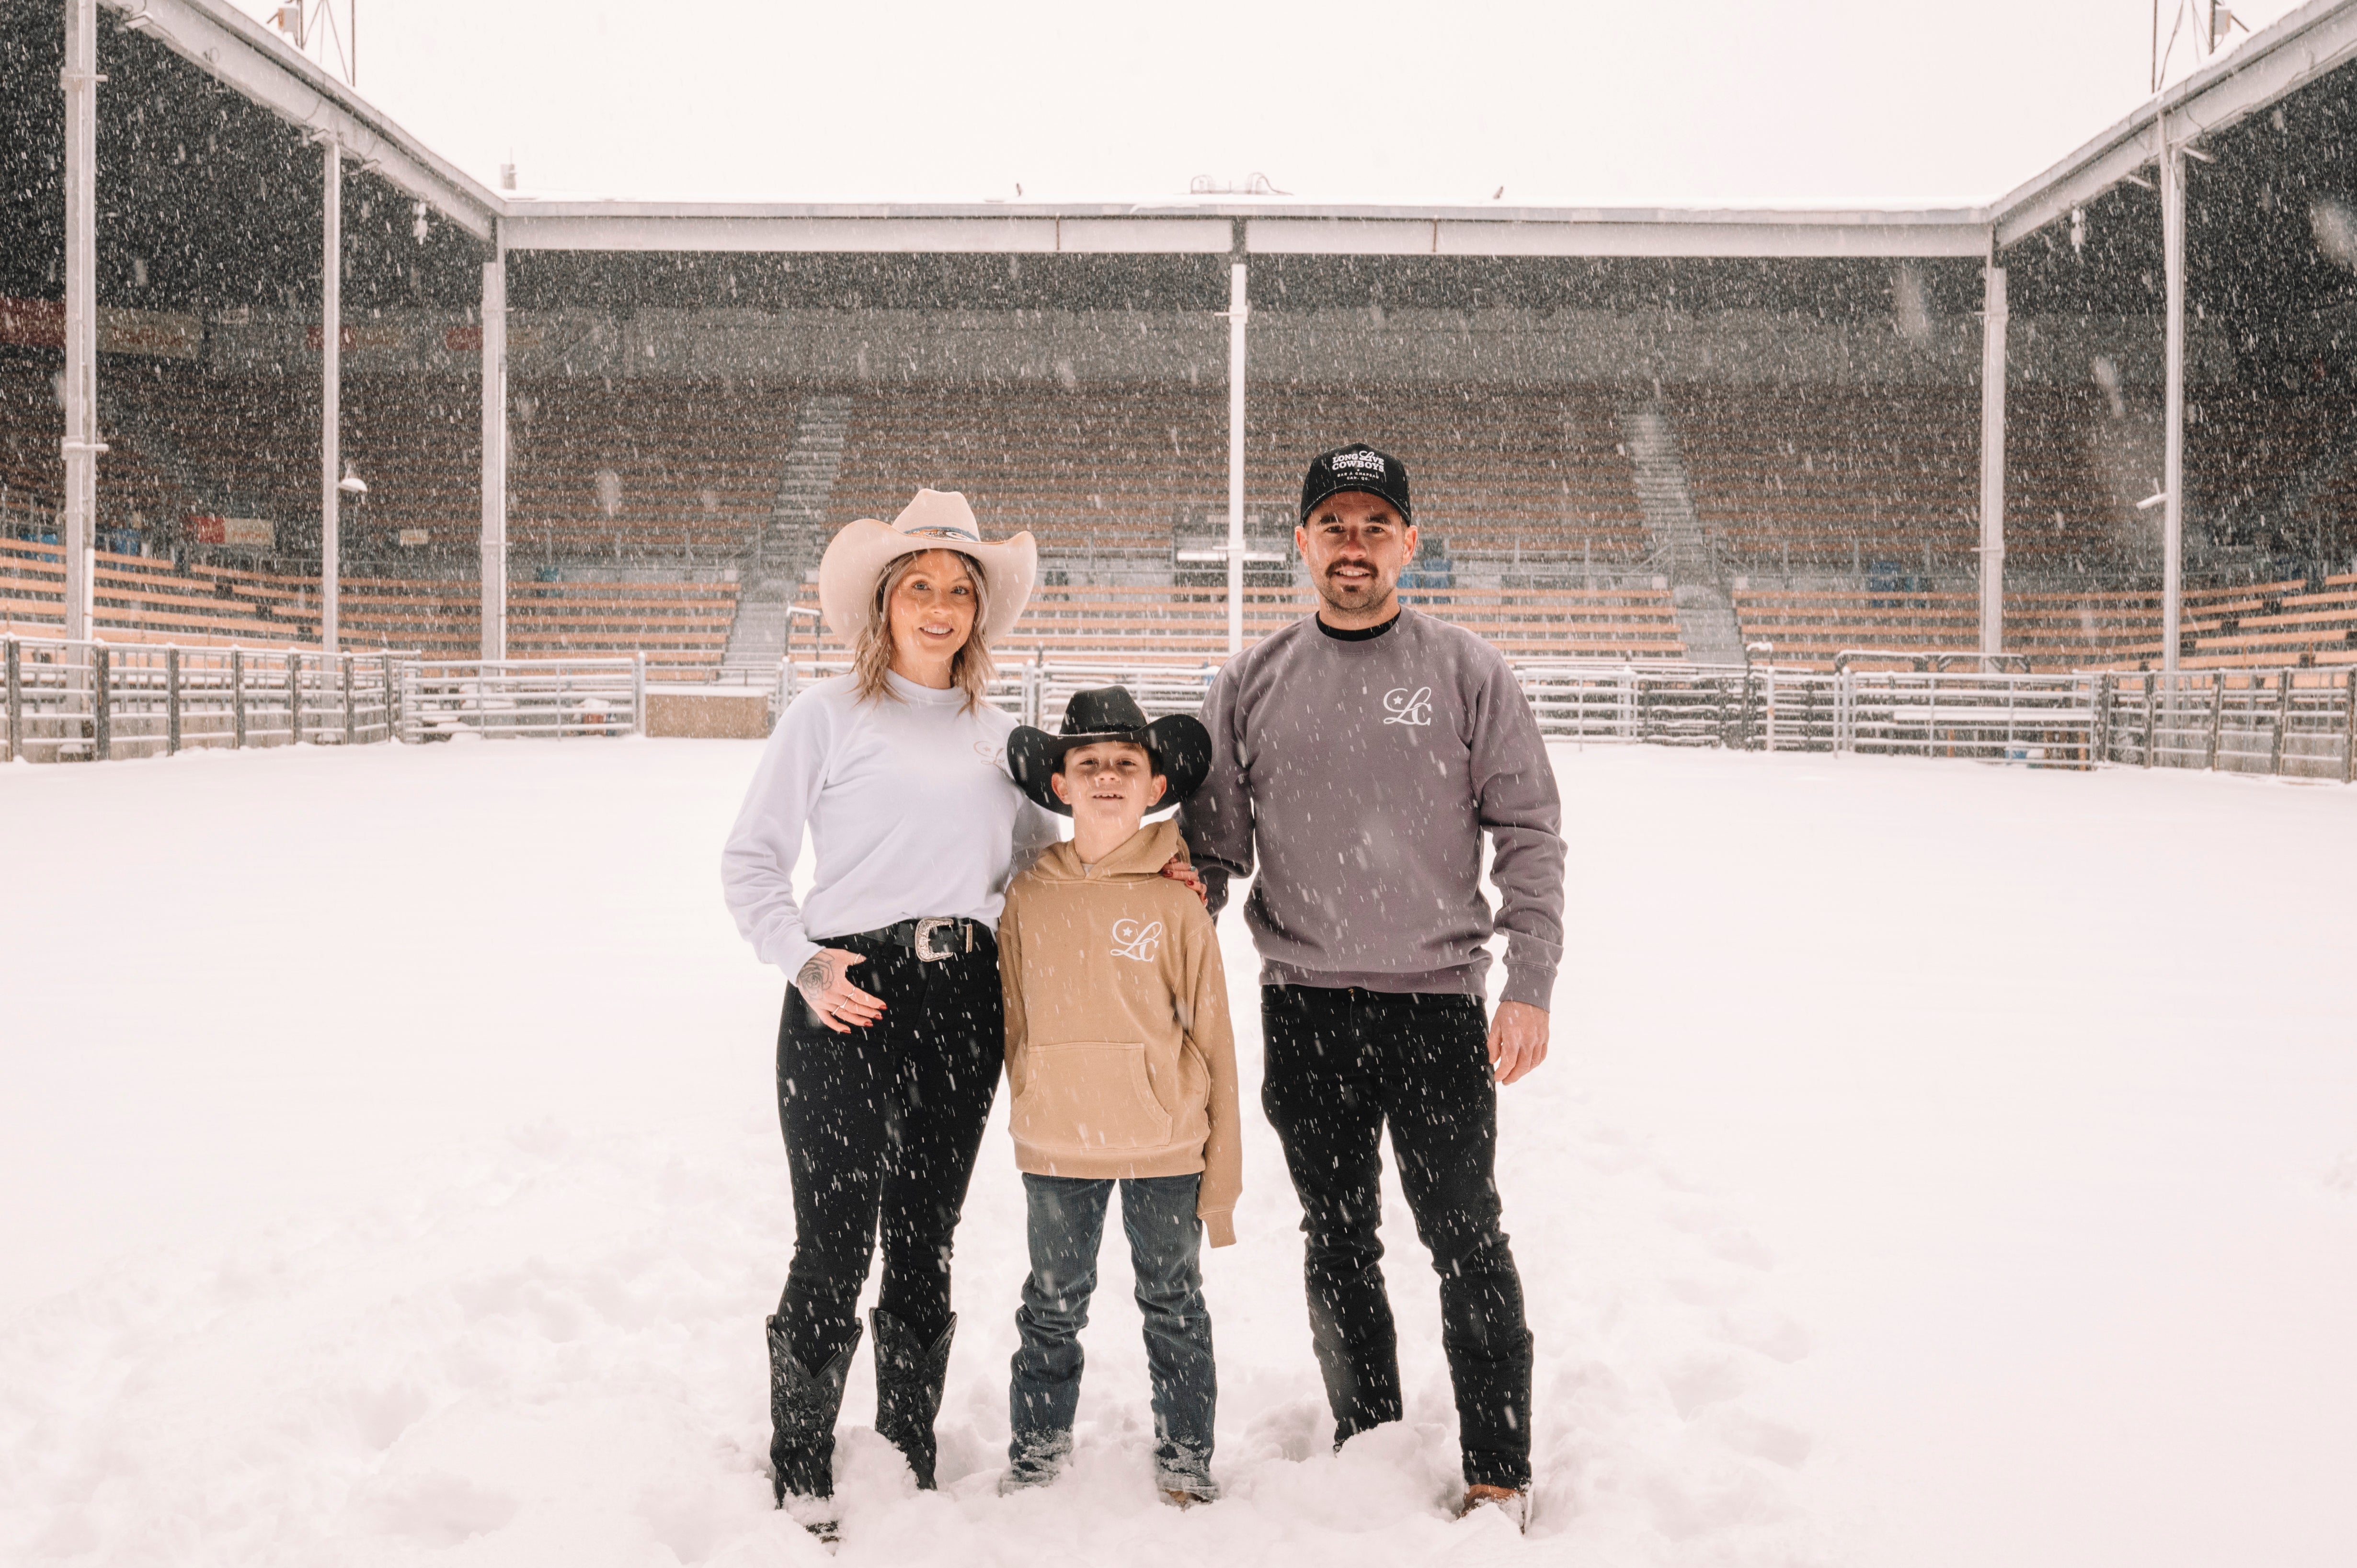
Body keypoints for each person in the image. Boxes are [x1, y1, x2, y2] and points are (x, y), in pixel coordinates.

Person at [1178, 444, 1567, 1531]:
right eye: (1333, 524)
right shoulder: (1250, 679)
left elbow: (1530, 833)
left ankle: (1498, 1464)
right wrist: (1139, 931)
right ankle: (1369, 1438)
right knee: (1337, 1235)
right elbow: (1213, 853)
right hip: (1305, 1005)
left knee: (1465, 1232)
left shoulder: (1466, 672)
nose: (1354, 544)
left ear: (1408, 541)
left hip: (1437, 1003)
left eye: (1375, 524)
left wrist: (1529, 978)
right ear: (1300, 542)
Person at [721, 489, 1056, 1538]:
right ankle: (805, 1461)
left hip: (964, 1002)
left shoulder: (1004, 741)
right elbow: (752, 861)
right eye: (921, 585)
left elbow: (1051, 868)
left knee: (926, 1237)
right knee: (833, 1240)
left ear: (980, 612)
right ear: (884, 601)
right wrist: (805, 962)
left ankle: (906, 1446)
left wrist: (1157, 869)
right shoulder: (826, 716)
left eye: (961, 589)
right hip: (849, 997)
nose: (942, 605)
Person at [995, 688, 1239, 1507]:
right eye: (1088, 762)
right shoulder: (1027, 896)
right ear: (1059, 784)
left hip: (1163, 1140)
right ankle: (1036, 1448)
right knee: (1051, 1305)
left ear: (1154, 784)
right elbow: (1015, 1020)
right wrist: (1031, 1096)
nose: (1106, 776)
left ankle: (1185, 1453)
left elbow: (1214, 1041)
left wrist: (1223, 1178)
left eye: (1125, 764)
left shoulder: (1179, 897)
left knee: (1172, 1302)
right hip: (1060, 1137)